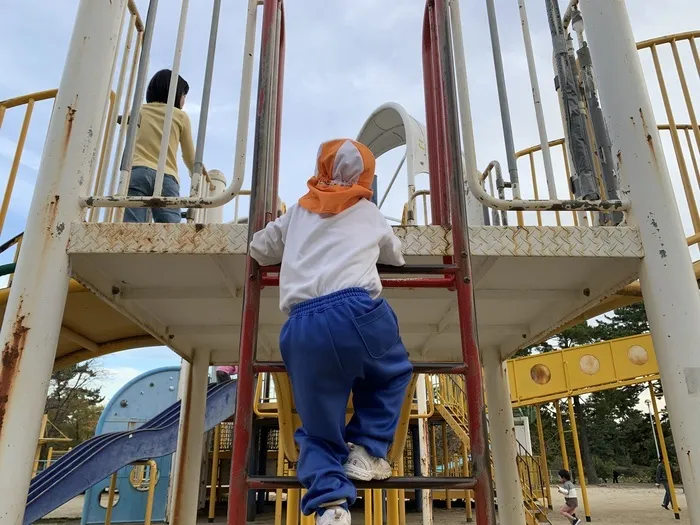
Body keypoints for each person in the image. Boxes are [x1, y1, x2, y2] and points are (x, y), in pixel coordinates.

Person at [248, 138, 413, 525]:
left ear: (320, 168)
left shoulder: (298, 213)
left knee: (319, 424)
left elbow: (259, 248)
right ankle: (368, 449)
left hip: (303, 324)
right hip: (358, 311)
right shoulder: (368, 211)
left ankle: (330, 505)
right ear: (367, 177)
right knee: (392, 373)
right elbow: (397, 255)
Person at [125, 69, 205, 223]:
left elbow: (128, 127)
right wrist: (194, 170)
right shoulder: (181, 116)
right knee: (170, 230)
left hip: (137, 170)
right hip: (166, 176)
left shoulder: (139, 110)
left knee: (132, 225)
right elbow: (189, 155)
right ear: (176, 94)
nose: (184, 100)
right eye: (184, 95)